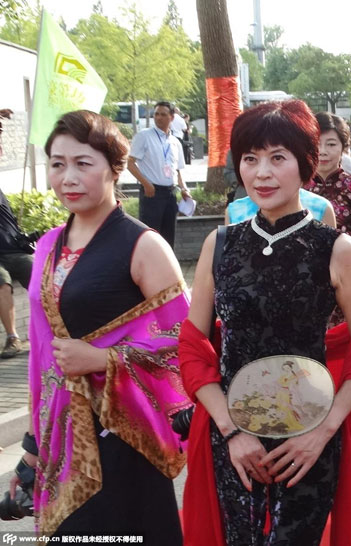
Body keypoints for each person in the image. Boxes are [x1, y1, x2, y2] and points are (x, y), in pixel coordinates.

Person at [179, 99, 351, 545]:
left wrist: (325, 431)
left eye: (277, 158)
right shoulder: (220, 244)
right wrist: (231, 431)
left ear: (304, 163)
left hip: (308, 446)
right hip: (232, 443)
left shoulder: (336, 248)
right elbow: (193, 347)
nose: (262, 173)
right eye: (250, 159)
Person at [15, 110, 190, 540]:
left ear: (115, 169)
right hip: (61, 432)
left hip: (125, 438)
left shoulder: (144, 245)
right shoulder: (49, 244)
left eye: (82, 164)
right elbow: (42, 354)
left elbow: (185, 344)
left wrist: (102, 357)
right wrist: (33, 448)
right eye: (57, 164)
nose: (67, 177)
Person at [307, 113, 351, 266]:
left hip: (348, 280)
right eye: (316, 144)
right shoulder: (294, 188)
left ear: (344, 147)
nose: (323, 151)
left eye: (331, 144)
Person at [127, 101, 191, 247]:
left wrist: (184, 189)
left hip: (170, 194)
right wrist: (146, 184)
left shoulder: (175, 142)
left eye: (163, 114)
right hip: (152, 193)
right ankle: (147, 269)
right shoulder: (144, 136)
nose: (159, 118)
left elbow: (178, 170)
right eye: (156, 114)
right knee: (150, 236)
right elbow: (130, 163)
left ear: (172, 118)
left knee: (168, 236)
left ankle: (167, 268)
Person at [0, 187, 33, 359]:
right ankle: (13, 338)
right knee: (2, 284)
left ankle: (58, 329)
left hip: (15, 251)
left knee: (41, 278)